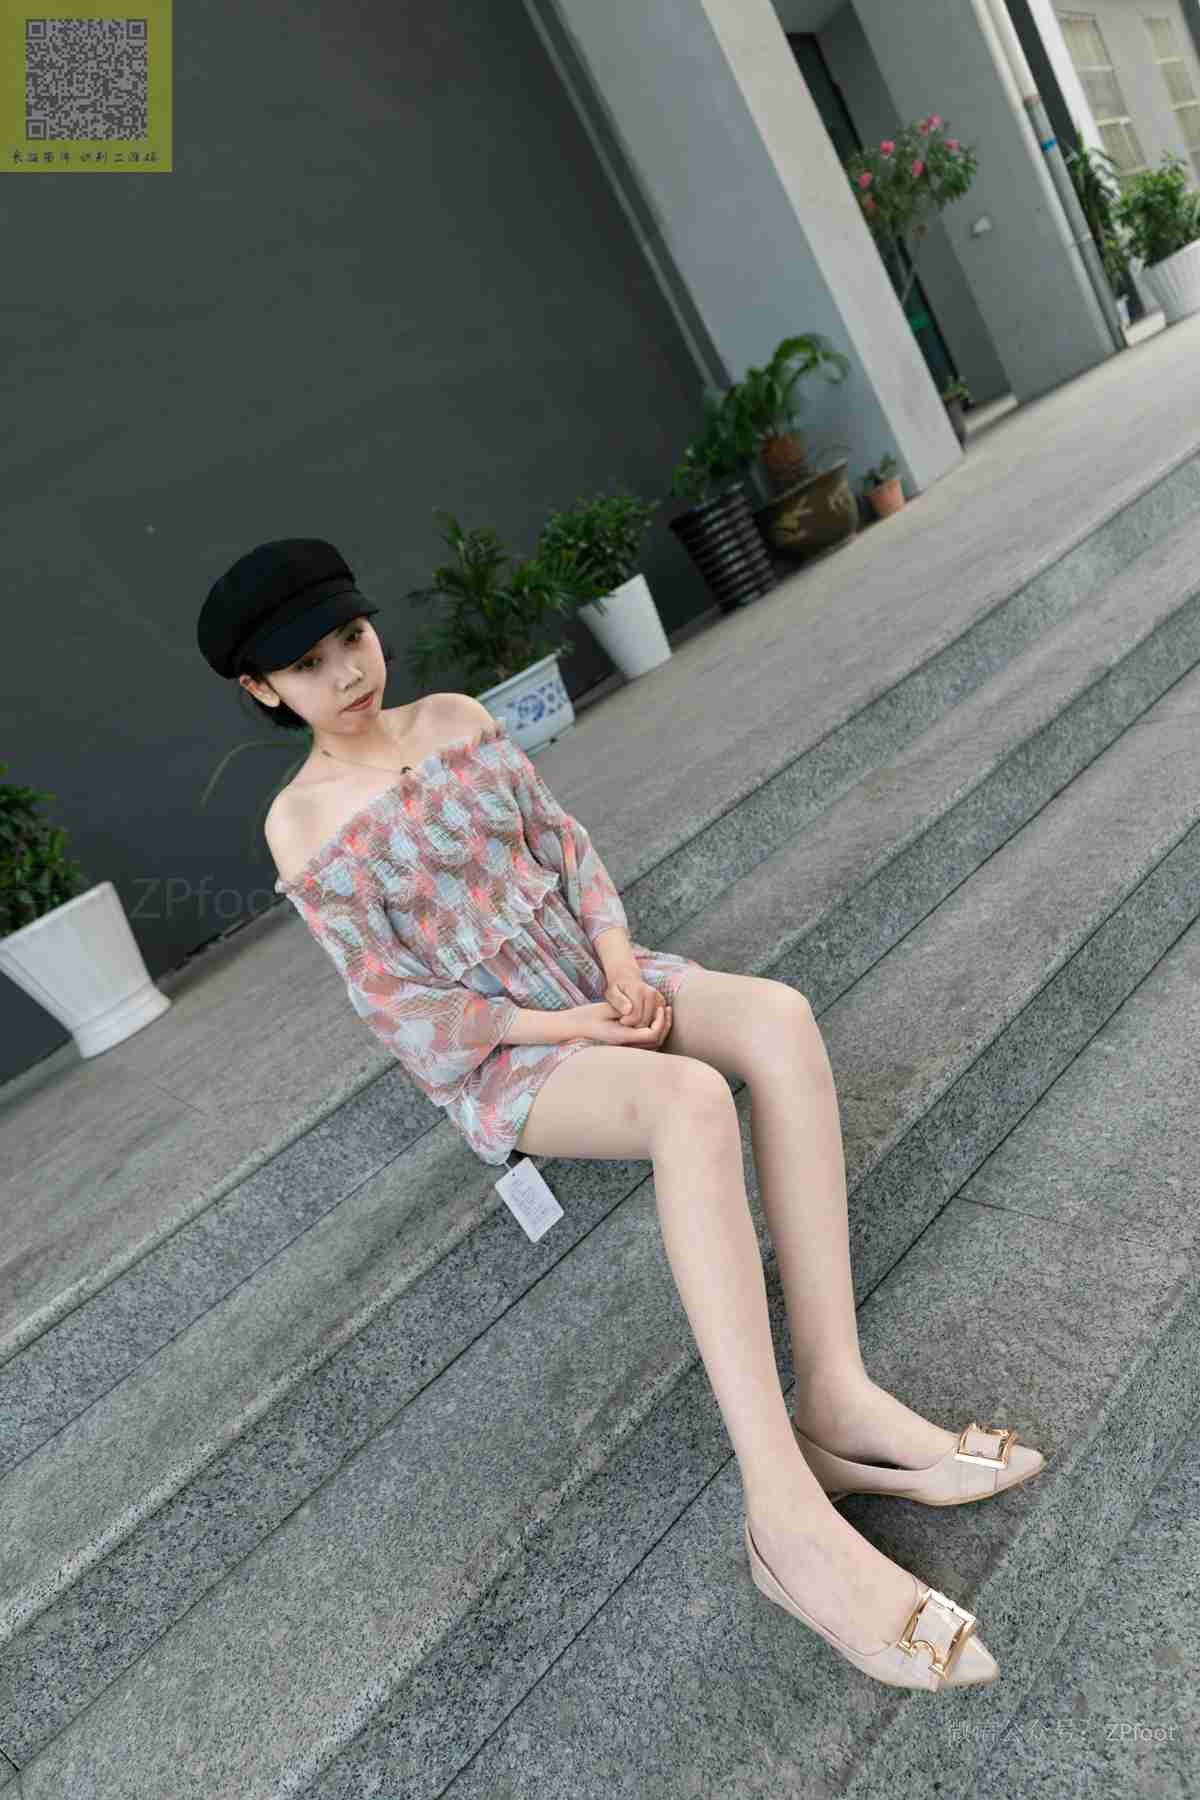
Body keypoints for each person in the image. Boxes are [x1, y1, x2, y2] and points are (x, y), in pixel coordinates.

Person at [197, 538, 1045, 1692]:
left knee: (778, 1017)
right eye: (307, 665)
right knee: (689, 1099)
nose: (347, 671)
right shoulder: (300, 825)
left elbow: (566, 850)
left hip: (598, 979)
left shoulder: (454, 721)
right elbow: (404, 1009)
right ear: (262, 690)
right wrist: (574, 1024)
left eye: (351, 637)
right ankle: (783, 1516)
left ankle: (837, 1393)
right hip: (508, 1053)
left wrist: (615, 964)